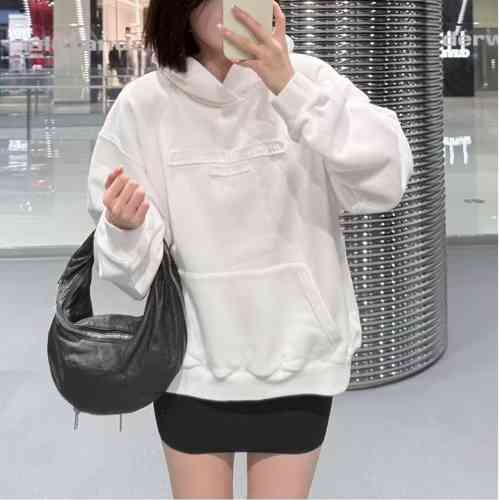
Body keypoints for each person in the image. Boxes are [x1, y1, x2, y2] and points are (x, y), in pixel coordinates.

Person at [86, 0, 414, 497]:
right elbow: (132, 269)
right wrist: (124, 227)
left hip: (297, 358)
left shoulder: (308, 79)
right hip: (192, 364)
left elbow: (387, 177)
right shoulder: (143, 105)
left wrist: (291, 89)